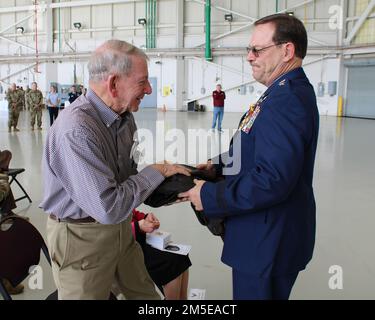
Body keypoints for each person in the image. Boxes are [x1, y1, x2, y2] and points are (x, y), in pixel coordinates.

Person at [180, 14, 319, 300]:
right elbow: (252, 147)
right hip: (264, 235)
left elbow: (272, 180)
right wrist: (216, 165)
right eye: (249, 49)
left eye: (257, 49)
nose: (249, 57)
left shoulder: (287, 100)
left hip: (267, 240)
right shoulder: (277, 94)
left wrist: (207, 196)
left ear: (287, 51)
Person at [39, 39, 190, 300]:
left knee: (147, 297)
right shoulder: (76, 131)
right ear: (113, 83)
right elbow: (108, 206)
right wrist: (156, 171)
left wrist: (176, 185)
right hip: (81, 239)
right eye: (142, 82)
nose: (149, 89)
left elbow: (126, 179)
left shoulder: (123, 118)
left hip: (120, 230)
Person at [131, 209, 191, 300]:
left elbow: (131, 212)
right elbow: (112, 231)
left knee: (181, 255)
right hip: (124, 245)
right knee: (171, 263)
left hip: (137, 237)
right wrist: (138, 226)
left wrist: (145, 218)